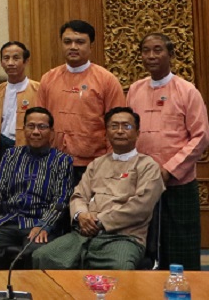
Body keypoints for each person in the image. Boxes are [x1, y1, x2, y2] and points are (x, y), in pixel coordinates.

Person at [33, 107, 164, 270]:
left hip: (124, 238)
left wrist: (100, 221)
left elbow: (140, 207)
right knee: (43, 257)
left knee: (119, 268)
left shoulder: (148, 166)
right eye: (114, 126)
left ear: (137, 133)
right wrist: (81, 215)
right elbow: (79, 195)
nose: (120, 131)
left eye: (127, 126)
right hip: (84, 234)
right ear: (106, 133)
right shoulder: (97, 164)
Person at [127, 33, 209, 270]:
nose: (151, 56)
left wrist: (169, 170)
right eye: (145, 50)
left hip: (177, 183)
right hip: (141, 181)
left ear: (170, 54)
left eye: (157, 50)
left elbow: (201, 136)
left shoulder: (187, 90)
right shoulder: (134, 90)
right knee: (146, 246)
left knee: (180, 245)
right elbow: (128, 130)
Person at [0, 107, 74, 270]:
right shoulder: (11, 155)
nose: (36, 132)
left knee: (35, 252)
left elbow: (61, 199)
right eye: (31, 126)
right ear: (24, 129)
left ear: (52, 132)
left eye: (42, 127)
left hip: (38, 223)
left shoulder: (62, 161)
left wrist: (44, 225)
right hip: (7, 221)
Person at [36, 20, 126, 182]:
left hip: (95, 165)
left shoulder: (106, 80)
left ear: (91, 46)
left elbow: (118, 126)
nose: (73, 47)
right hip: (54, 163)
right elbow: (39, 124)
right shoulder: (48, 79)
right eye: (67, 42)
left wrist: (115, 164)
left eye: (80, 42)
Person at [0, 41, 40, 169]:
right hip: (2, 146)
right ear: (1, 62)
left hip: (28, 148)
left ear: (26, 61)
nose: (10, 63)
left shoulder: (38, 89)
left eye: (16, 58)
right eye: (6, 58)